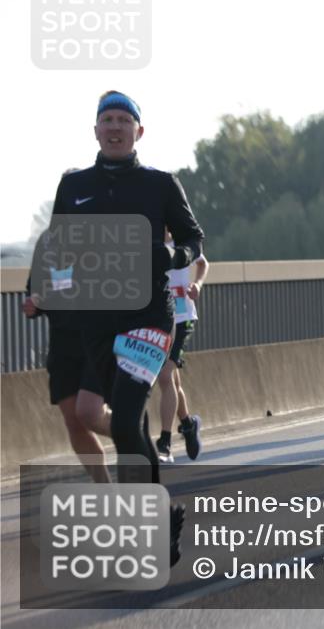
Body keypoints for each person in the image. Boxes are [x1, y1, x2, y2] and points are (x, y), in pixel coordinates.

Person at [46, 90, 205, 564]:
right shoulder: (73, 185)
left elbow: (194, 241)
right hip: (94, 322)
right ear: (95, 130)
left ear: (139, 130)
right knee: (100, 417)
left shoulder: (160, 184)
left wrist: (172, 256)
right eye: (107, 119)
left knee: (131, 411)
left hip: (147, 318)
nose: (115, 127)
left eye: (123, 119)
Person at [22, 274, 111, 483]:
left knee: (90, 413)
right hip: (62, 350)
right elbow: (36, 291)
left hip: (97, 344)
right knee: (74, 422)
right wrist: (33, 303)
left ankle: (131, 434)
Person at [155, 231, 208, 463]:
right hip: (160, 318)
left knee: (165, 376)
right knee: (172, 381)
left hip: (183, 316)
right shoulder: (150, 242)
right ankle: (187, 424)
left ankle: (165, 440)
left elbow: (203, 263)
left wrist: (197, 283)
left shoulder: (182, 241)